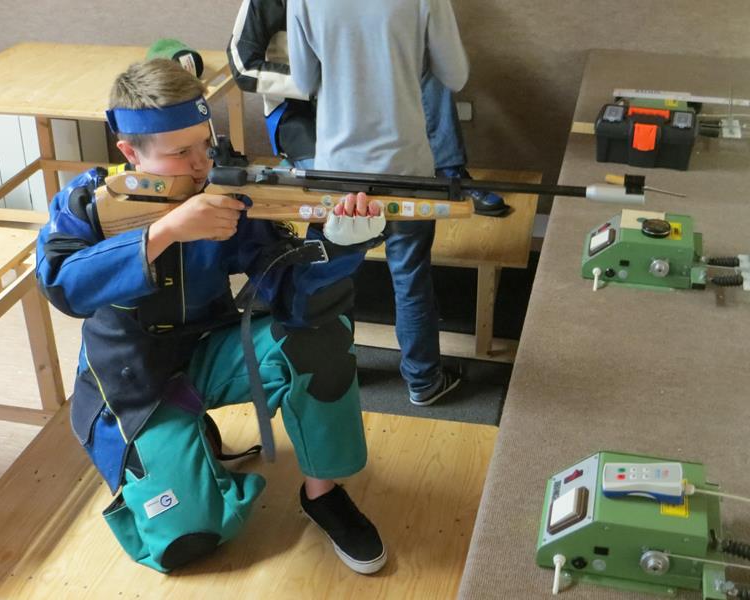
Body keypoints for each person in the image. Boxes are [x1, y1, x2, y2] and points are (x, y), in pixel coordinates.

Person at [35, 58, 389, 575]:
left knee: (321, 331)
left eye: (206, 143)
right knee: (187, 541)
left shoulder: (225, 196)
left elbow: (291, 294)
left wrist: (334, 248)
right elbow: (63, 286)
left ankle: (323, 493)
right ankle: (183, 448)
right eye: (180, 152)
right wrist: (163, 233)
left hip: (211, 351)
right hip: (132, 382)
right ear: (130, 152)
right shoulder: (86, 202)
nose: (202, 164)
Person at [286, 0, 471, 406]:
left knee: (332, 278)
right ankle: (423, 381)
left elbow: (303, 81)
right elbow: (455, 75)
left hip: (337, 170)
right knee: (410, 276)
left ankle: (338, 370)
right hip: (405, 169)